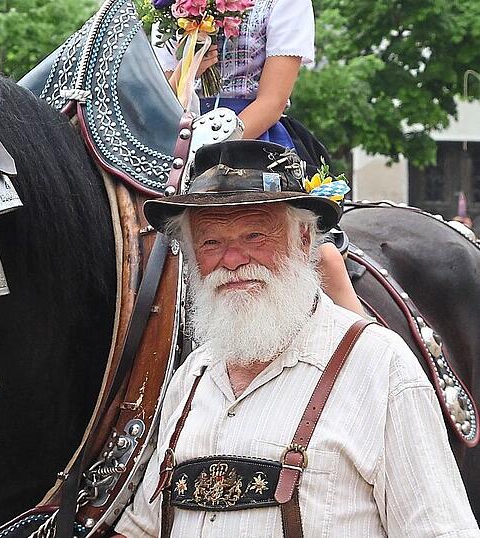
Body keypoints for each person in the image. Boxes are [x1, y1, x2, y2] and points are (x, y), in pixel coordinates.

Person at [113, 140, 479, 537]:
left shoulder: (382, 368)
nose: (232, 260)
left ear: (305, 240)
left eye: (255, 236)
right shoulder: (190, 377)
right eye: (211, 242)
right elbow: (142, 528)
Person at [157, 0, 366, 317]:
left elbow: (272, 101)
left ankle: (369, 348)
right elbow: (159, 97)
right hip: (177, 142)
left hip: (254, 141)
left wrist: (211, 152)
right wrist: (189, 71)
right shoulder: (168, 4)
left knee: (325, 260)